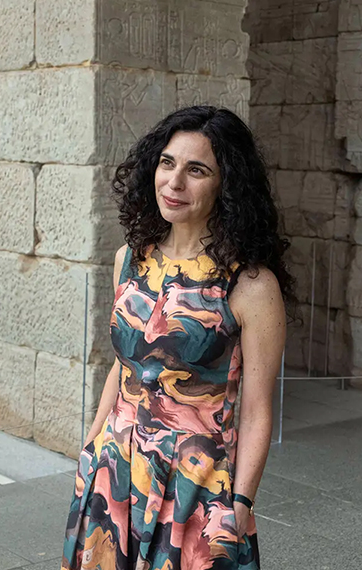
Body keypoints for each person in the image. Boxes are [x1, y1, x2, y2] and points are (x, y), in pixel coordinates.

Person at [63, 106, 290, 570]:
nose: (174, 182)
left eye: (196, 170)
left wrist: (240, 503)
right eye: (167, 163)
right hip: (114, 470)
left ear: (227, 184)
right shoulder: (129, 258)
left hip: (195, 482)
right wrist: (90, 449)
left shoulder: (251, 285)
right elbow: (123, 366)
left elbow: (257, 408)